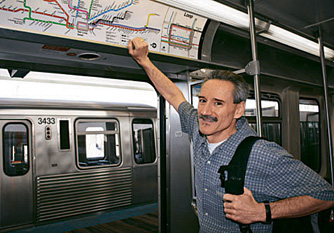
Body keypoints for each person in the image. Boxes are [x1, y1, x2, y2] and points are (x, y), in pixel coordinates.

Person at [128, 37, 334, 232]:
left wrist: (263, 211)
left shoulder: (261, 153)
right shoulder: (198, 130)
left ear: (238, 110)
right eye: (202, 100)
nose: (206, 111)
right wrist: (143, 60)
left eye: (218, 103)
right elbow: (173, 95)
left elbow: (325, 195)